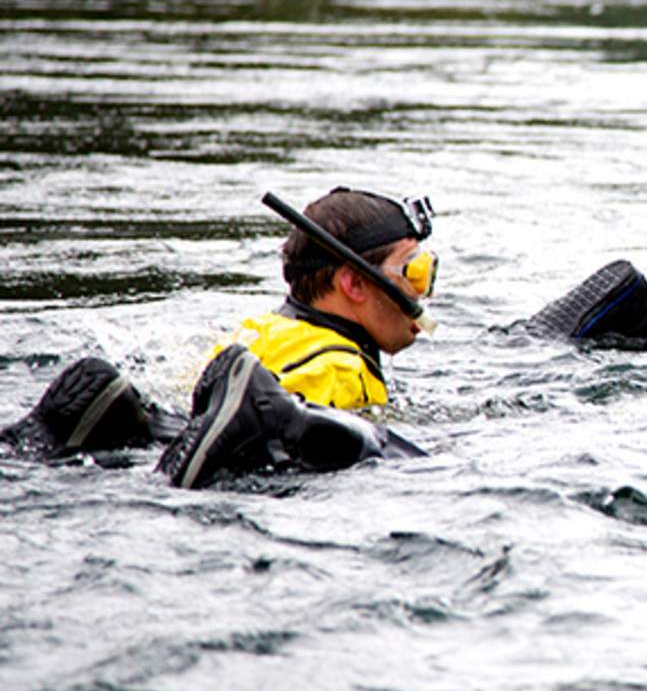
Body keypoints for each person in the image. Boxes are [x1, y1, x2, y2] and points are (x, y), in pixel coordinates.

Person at [4, 187, 437, 489]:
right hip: (248, 430)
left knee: (159, 430)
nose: (425, 290)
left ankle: (122, 414)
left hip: (190, 420)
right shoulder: (343, 371)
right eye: (414, 272)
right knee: (365, 450)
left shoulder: (270, 329)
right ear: (355, 285)